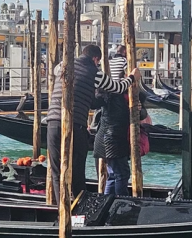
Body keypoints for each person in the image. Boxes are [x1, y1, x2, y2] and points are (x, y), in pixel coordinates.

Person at [46, 44, 139, 203]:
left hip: (52, 123)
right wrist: (132, 77)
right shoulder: (95, 72)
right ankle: (80, 208)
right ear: (95, 59)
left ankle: (60, 209)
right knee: (77, 172)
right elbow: (117, 87)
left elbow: (55, 71)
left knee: (56, 171)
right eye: (98, 62)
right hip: (76, 125)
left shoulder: (63, 65)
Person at [94, 45, 148, 196]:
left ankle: (109, 201)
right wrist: (133, 110)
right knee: (121, 174)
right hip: (112, 139)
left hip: (112, 139)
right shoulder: (112, 95)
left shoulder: (131, 95)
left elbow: (141, 115)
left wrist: (138, 109)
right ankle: (119, 204)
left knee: (114, 174)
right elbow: (121, 116)